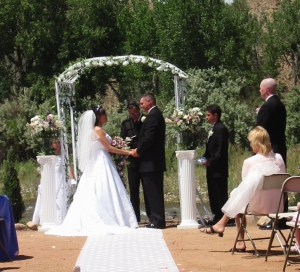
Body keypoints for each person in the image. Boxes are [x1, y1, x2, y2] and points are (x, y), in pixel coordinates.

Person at [46, 106, 138, 236]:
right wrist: (128, 152)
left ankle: (114, 217)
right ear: (98, 117)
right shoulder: (97, 130)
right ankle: (112, 218)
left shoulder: (95, 130)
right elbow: (108, 148)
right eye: (104, 114)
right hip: (101, 161)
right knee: (106, 188)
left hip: (100, 160)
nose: (106, 116)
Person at [201, 126, 286, 251]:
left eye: (251, 142)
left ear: (256, 143)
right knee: (239, 195)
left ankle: (239, 240)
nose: (250, 145)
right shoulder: (279, 158)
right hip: (277, 206)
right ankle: (222, 225)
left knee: (237, 194)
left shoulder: (249, 162)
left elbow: (245, 187)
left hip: (255, 206)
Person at [256, 78, 288, 229]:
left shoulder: (268, 106)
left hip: (271, 150)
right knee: (281, 181)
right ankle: (282, 216)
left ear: (266, 90)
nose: (259, 91)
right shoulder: (280, 104)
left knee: (272, 183)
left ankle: (275, 218)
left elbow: (260, 129)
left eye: (260, 88)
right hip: (280, 147)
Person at [132, 93, 166, 229]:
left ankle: (157, 220)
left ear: (149, 102)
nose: (140, 106)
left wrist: (138, 151)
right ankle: (154, 218)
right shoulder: (155, 115)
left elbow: (148, 138)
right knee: (150, 191)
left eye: (142, 103)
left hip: (151, 161)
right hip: (151, 162)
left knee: (153, 191)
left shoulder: (153, 116)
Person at [32, 139, 76, 225]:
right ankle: (44, 219)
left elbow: (68, 166)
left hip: (59, 179)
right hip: (49, 178)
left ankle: (60, 220)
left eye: (58, 142)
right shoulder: (47, 154)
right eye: (55, 143)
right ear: (51, 144)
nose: (57, 144)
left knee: (60, 197)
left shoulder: (63, 155)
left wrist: (72, 178)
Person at [120, 101, 149, 222]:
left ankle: (151, 217)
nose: (134, 116)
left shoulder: (146, 120)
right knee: (133, 190)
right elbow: (121, 140)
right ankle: (135, 217)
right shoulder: (126, 123)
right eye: (131, 114)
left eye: (136, 113)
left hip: (145, 159)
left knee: (147, 189)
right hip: (132, 160)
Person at [202, 104, 229, 224]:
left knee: (220, 193)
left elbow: (221, 151)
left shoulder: (221, 129)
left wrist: (210, 161)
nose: (206, 117)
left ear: (215, 115)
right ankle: (216, 215)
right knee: (212, 192)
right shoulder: (213, 128)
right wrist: (203, 158)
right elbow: (210, 149)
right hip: (211, 168)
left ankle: (222, 217)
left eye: (208, 115)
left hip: (218, 168)